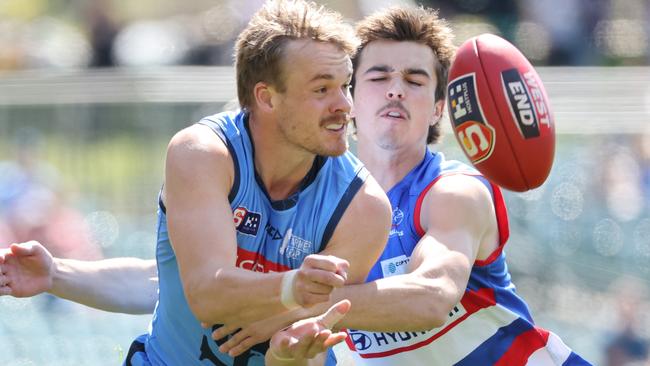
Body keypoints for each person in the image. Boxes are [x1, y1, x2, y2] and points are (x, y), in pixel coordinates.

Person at [1, 4, 593, 366]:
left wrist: (293, 305)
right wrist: (59, 274)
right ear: (350, 92)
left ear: (441, 106)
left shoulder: (448, 193)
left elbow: (432, 295)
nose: (394, 90)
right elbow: (182, 285)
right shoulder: (249, 164)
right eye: (377, 75)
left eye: (415, 80)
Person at [1, 0, 392, 365]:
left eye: (345, 86)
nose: (345, 105)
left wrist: (291, 350)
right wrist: (55, 275)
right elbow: (203, 294)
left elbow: (299, 339)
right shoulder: (203, 153)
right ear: (267, 98)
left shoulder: (364, 206)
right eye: (322, 89)